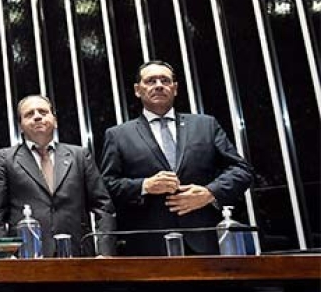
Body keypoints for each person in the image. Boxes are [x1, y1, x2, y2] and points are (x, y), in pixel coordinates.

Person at [100, 61, 254, 255]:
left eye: (165, 80)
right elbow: (106, 186)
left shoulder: (205, 125)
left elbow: (241, 170)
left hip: (206, 242)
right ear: (137, 90)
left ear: (175, 88)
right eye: (150, 81)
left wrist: (209, 193)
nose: (158, 85)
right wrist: (144, 185)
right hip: (149, 248)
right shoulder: (118, 135)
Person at [0, 95, 116, 256]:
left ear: (55, 121)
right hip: (26, 257)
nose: (37, 116)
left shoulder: (79, 155)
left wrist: (105, 253)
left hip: (78, 255)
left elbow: (103, 207)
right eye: (29, 114)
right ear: (20, 126)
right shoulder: (5, 158)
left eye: (43, 112)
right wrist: (6, 255)